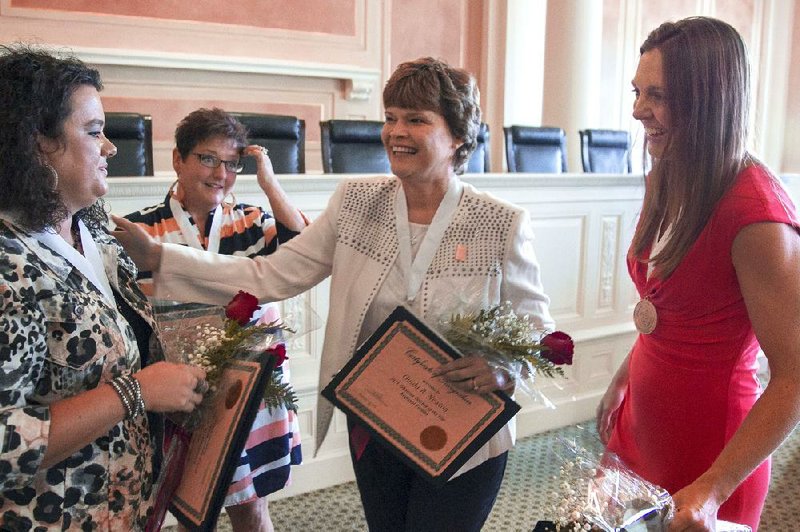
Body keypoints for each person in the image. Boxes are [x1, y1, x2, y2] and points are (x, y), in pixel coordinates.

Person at [113, 56, 554, 531]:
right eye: (390, 118)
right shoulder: (355, 200)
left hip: (464, 430)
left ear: (460, 136)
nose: (396, 132)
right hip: (376, 420)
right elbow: (268, 276)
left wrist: (505, 371)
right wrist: (160, 258)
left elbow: (539, 333)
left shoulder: (501, 223)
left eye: (416, 120)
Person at [594, 17, 800, 531]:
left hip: (712, 454)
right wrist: (624, 379)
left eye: (657, 95)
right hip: (639, 429)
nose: (638, 110)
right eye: (638, 91)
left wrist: (714, 486)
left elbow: (795, 376)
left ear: (709, 98)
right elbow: (663, 309)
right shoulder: (667, 170)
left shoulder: (756, 213)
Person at [0, 45, 207, 530]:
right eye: (94, 132)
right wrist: (135, 393)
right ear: (37, 144)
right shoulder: (9, 264)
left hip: (121, 507)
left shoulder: (91, 227)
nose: (111, 147)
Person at [123, 107, 306, 532]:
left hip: (249, 392)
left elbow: (302, 251)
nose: (220, 174)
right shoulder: (142, 231)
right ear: (178, 160)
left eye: (231, 164)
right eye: (208, 159)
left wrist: (269, 182)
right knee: (190, 509)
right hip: (182, 395)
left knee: (251, 508)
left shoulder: (252, 221)